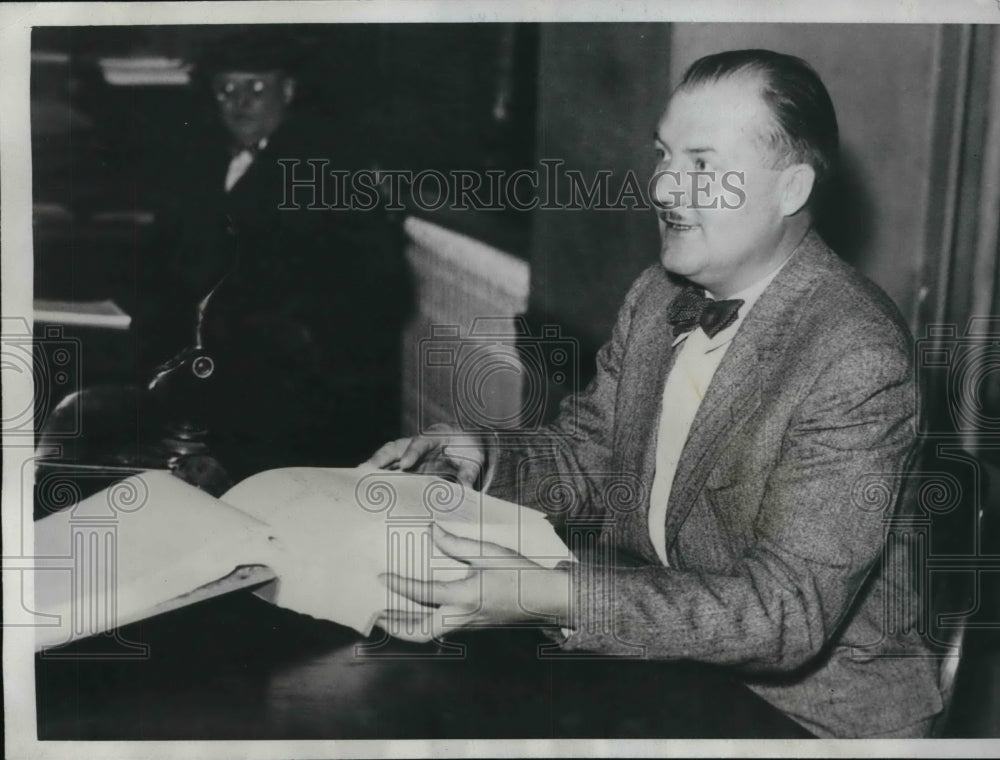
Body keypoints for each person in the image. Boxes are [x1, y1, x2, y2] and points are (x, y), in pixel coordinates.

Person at [367, 49, 943, 738]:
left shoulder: (856, 355)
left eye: (702, 163)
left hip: (810, 716)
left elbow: (784, 614)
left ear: (790, 190)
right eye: (664, 155)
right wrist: (484, 460)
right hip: (661, 670)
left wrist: (543, 594)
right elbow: (589, 456)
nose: (666, 188)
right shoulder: (657, 295)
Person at [134, 30, 412, 479]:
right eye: (227, 89)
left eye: (257, 88)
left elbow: (371, 290)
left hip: (293, 386)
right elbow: (164, 260)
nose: (240, 102)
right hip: (206, 367)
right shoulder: (201, 160)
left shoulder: (327, 167)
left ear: (288, 90)